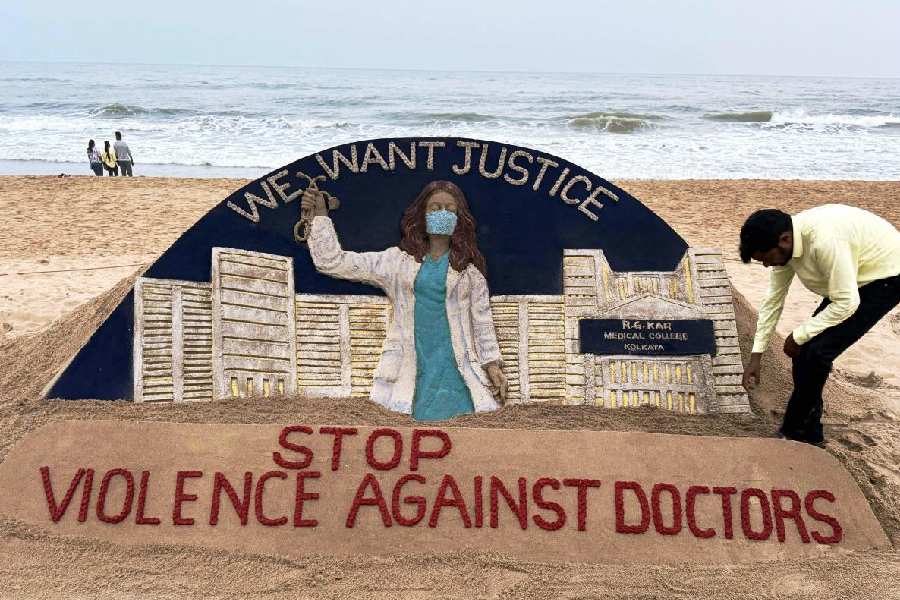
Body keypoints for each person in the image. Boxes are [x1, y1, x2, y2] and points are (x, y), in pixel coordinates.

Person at [303, 180, 508, 420]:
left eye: (449, 209)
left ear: (459, 219)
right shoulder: (397, 263)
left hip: (455, 369)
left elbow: (482, 323)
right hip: (411, 366)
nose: (442, 214)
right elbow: (332, 262)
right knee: (409, 425)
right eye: (435, 208)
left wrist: (492, 365)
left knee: (462, 425)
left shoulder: (470, 275)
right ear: (422, 215)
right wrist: (319, 216)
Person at [740, 205, 900, 445]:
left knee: (817, 353)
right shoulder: (785, 247)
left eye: (765, 258)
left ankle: (793, 432)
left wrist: (799, 335)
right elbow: (773, 301)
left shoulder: (823, 242)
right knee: (802, 352)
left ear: (784, 240)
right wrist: (757, 354)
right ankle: (809, 432)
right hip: (852, 278)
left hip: (887, 275)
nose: (766, 265)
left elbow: (847, 302)